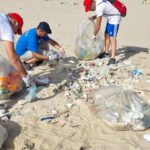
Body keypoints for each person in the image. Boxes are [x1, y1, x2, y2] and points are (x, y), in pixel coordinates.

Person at [0, 12, 34, 87]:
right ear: (14, 22)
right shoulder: (7, 27)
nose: (15, 33)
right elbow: (13, 58)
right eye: (17, 29)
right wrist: (26, 77)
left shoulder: (1, 17)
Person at [83, 0, 122, 65]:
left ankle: (113, 58)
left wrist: (94, 35)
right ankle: (106, 53)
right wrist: (95, 17)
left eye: (89, 7)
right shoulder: (98, 3)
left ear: (92, 3)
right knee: (106, 34)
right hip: (110, 17)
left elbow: (98, 24)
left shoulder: (99, 7)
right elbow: (103, 11)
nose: (90, 10)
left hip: (115, 17)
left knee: (112, 37)